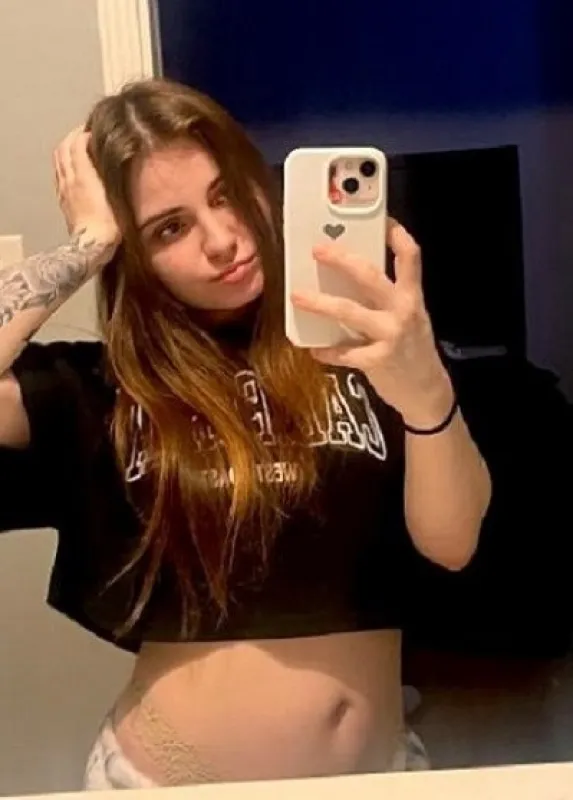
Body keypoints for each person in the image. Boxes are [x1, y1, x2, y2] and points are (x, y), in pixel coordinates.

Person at [0, 78, 491, 789]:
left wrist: (426, 390)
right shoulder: (106, 387)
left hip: (377, 776)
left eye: (226, 194)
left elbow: (452, 544)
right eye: (168, 228)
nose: (221, 240)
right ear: (134, 256)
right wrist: (86, 245)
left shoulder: (371, 350)